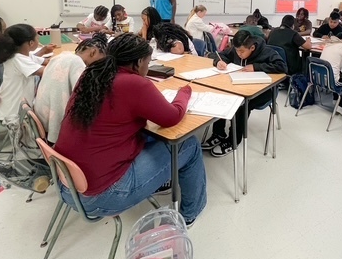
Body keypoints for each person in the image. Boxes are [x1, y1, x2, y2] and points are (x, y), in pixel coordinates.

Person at [54, 33, 206, 225]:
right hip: (102, 196)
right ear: (139, 61)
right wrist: (184, 93)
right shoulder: (135, 84)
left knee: (150, 136)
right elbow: (172, 117)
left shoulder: (90, 74)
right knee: (188, 145)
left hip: (66, 184)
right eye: (148, 63)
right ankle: (190, 213)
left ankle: (160, 180)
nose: (147, 68)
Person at [202, 31, 286, 157]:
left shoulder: (267, 52)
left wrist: (256, 67)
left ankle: (233, 140)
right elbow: (217, 55)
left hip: (264, 91)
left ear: (252, 47)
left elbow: (282, 67)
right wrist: (218, 62)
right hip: (239, 86)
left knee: (240, 104)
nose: (238, 54)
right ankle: (219, 133)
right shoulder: (237, 50)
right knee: (223, 96)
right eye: (236, 51)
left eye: (241, 51)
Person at [33, 34, 108, 143]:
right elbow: (85, 93)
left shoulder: (60, 57)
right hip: (53, 129)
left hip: (42, 121)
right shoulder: (76, 62)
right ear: (93, 52)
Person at [0, 24, 51, 122]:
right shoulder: (17, 59)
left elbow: (46, 62)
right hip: (14, 114)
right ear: (31, 43)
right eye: (37, 38)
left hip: (12, 105)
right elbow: (46, 72)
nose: (39, 40)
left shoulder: (22, 55)